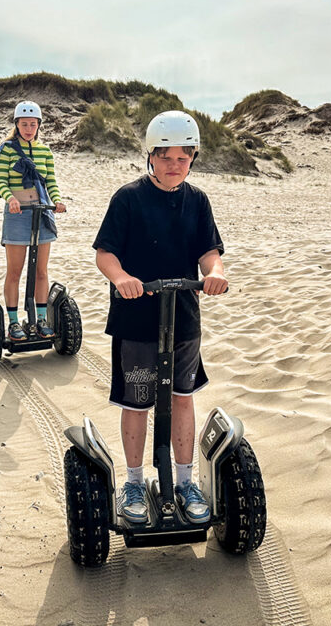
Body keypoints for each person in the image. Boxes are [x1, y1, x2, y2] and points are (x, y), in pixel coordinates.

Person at [92, 110, 228, 525]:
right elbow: (105, 253)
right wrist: (121, 278)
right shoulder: (128, 198)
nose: (174, 165)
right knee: (137, 401)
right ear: (150, 155)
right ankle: (133, 481)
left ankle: (185, 482)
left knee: (182, 398)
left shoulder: (197, 200)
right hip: (136, 317)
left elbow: (208, 251)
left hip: (184, 317)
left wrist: (215, 274)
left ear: (193, 159)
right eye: (166, 157)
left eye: (183, 158)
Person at [0, 100, 67, 341]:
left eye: (33, 124)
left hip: (41, 212)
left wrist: (57, 201)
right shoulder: (7, 149)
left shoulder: (45, 152)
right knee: (14, 271)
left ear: (38, 126)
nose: (28, 128)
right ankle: (14, 323)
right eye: (24, 124)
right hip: (17, 214)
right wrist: (10, 199)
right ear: (17, 124)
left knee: (41, 271)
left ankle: (41, 319)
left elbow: (51, 183)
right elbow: (1, 181)